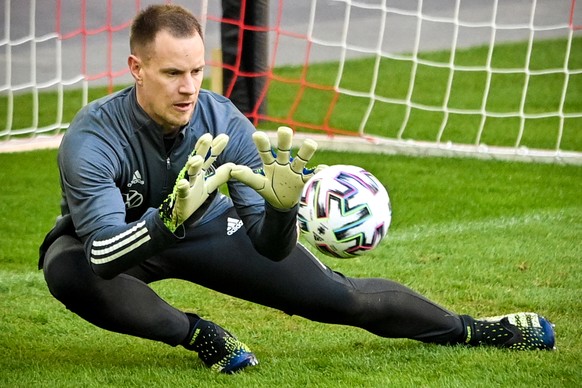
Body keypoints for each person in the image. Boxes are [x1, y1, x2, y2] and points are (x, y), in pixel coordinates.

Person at [38, 4, 555, 375]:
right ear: (136, 69)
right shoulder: (93, 137)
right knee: (67, 270)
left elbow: (268, 245)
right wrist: (166, 220)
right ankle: (201, 335)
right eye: (173, 73)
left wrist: (283, 211)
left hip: (203, 228)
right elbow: (105, 253)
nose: (189, 87)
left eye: (197, 70)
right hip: (128, 240)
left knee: (341, 298)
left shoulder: (223, 120)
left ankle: (472, 329)